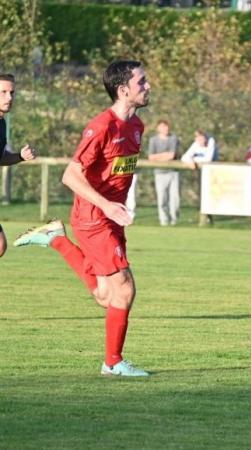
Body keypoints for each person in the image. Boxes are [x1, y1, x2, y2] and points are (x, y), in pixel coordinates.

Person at [13, 61, 151, 377]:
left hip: (111, 217)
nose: (147, 87)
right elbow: (70, 175)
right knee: (125, 289)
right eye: (141, 82)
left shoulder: (137, 126)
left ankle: (56, 239)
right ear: (123, 89)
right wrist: (106, 205)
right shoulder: (102, 126)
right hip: (94, 218)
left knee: (107, 296)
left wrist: (117, 205)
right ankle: (112, 363)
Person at [0, 73, 37, 257]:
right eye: (3, 92)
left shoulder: (1, 123)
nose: (9, 97)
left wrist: (19, 156)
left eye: (12, 93)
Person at [148, 119, 180, 226]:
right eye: (162, 126)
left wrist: (160, 156)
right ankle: (164, 220)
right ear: (158, 128)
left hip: (173, 172)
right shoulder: (153, 140)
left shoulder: (173, 138)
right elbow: (151, 157)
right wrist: (164, 156)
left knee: (174, 198)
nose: (165, 128)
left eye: (166, 126)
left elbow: (172, 155)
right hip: (159, 173)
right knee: (162, 199)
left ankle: (174, 220)